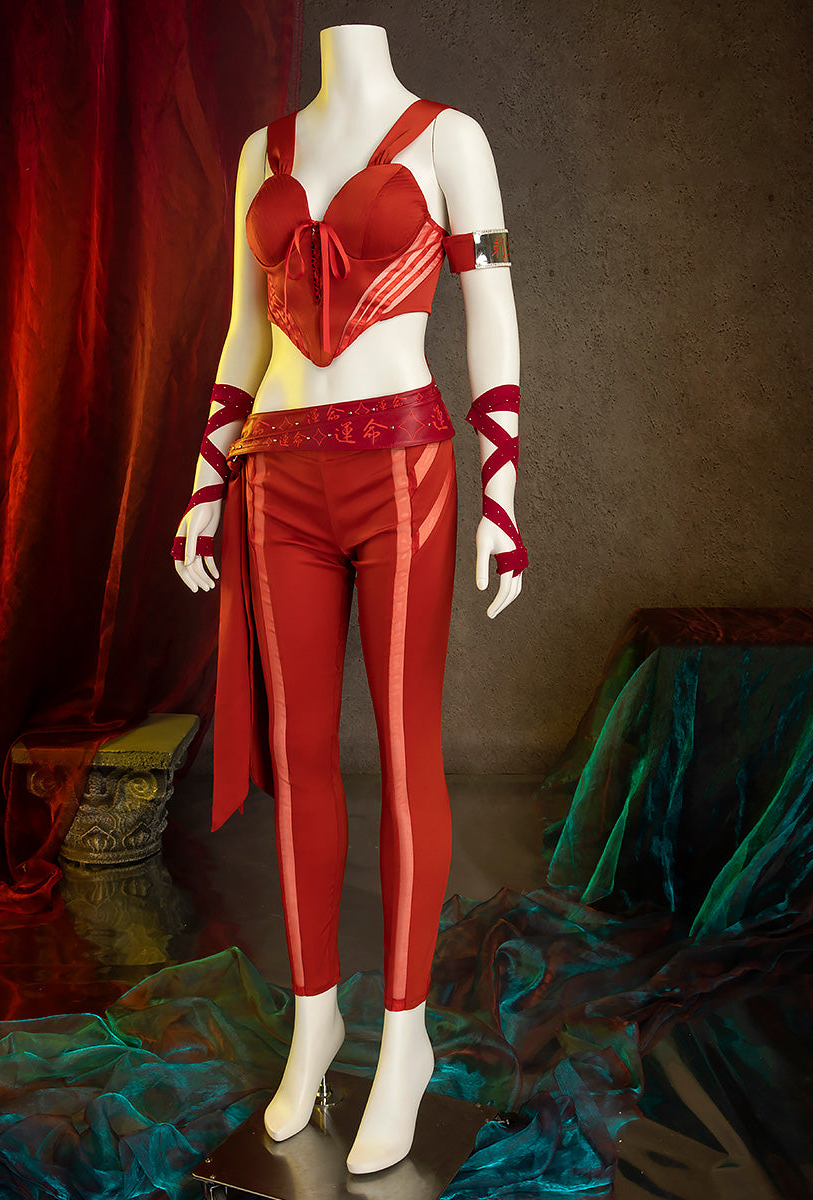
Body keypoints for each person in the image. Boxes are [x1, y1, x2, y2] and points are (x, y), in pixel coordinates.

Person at [172, 23, 525, 1176]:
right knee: (300, 753)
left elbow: (492, 312)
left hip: (403, 471)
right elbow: (244, 326)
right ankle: (315, 1017)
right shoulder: (259, 153)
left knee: (408, 749)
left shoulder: (451, 139)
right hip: (276, 473)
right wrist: (203, 485)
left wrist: (504, 492)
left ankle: (408, 1039)